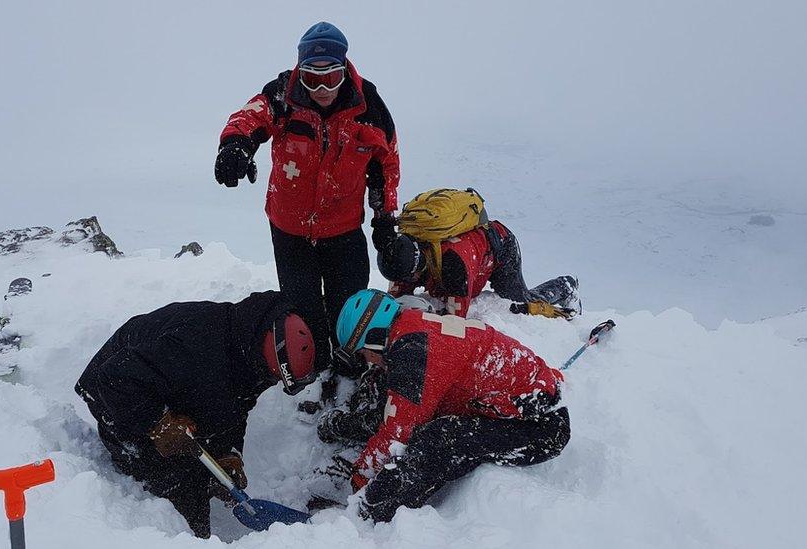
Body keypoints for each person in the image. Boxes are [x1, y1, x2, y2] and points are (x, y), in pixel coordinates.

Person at [215, 21, 400, 371]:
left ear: (344, 70)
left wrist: (385, 221)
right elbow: (249, 117)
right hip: (290, 231)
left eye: (330, 78)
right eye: (311, 79)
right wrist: (235, 145)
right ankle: (311, 373)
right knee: (303, 310)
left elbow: (386, 165)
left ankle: (350, 369)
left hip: (344, 230)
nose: (321, 89)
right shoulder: (284, 94)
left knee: (348, 310)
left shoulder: (369, 107)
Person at [74, 291, 315, 538]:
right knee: (176, 477)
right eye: (275, 377)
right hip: (114, 392)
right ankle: (181, 536)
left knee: (197, 457)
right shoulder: (196, 347)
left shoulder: (250, 352)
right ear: (269, 357)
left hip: (161, 380)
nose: (273, 382)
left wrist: (227, 453)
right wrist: (158, 424)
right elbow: (113, 377)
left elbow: (234, 406)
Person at [324, 289, 570, 522]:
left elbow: (398, 434)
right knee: (421, 424)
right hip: (515, 404)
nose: (367, 360)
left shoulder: (413, 351)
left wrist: (360, 478)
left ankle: (372, 513)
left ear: (375, 338)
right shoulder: (410, 329)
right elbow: (394, 410)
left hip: (542, 429)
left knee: (437, 439)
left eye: (363, 353)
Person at [378, 217, 580, 318]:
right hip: (472, 248)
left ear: (417, 268)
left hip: (500, 247)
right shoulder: (402, 256)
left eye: (407, 279)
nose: (403, 283)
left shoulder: (453, 266)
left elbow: (454, 320)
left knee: (520, 302)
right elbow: (394, 300)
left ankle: (565, 286)